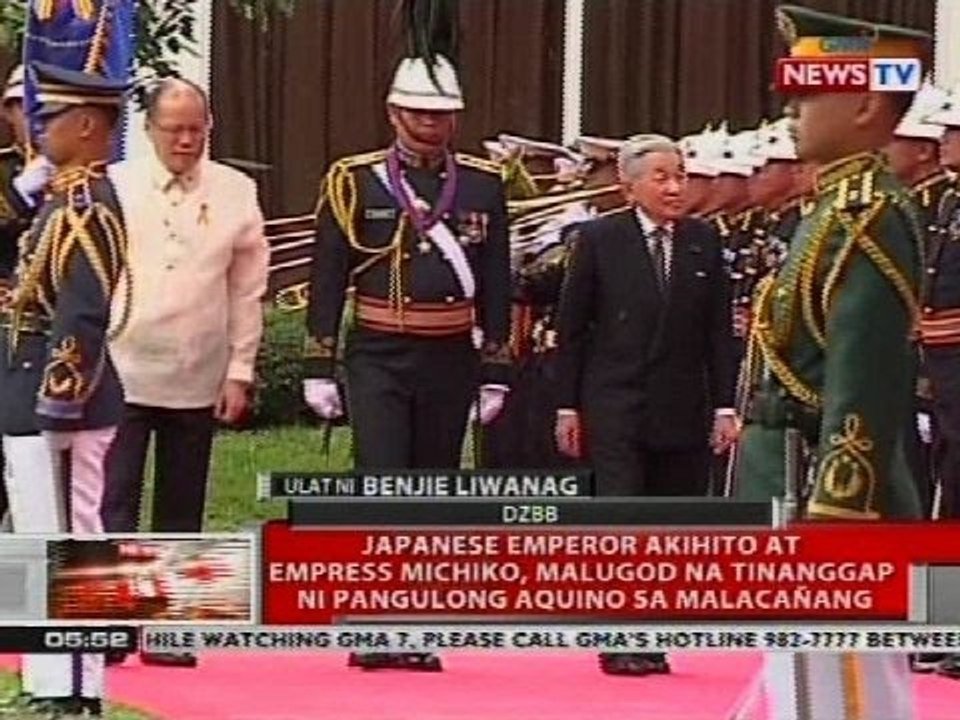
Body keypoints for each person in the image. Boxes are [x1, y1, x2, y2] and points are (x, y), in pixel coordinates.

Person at [734, 5, 928, 718]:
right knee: (804, 694)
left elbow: (864, 379)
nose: (793, 105)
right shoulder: (832, 208)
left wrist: (838, 515)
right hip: (787, 481)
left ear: (866, 103)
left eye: (810, 90)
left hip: (835, 508)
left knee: (842, 702)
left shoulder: (869, 213)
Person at [302, 46, 511, 670]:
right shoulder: (354, 180)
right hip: (379, 352)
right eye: (419, 114)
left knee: (434, 489)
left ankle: (419, 625)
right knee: (381, 483)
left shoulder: (482, 183)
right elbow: (327, 275)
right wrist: (319, 363)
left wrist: (496, 369)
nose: (431, 126)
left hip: (449, 353)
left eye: (442, 116)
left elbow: (497, 281)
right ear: (394, 113)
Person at [554, 134, 737, 676]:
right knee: (622, 517)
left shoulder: (705, 242)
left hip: (681, 404)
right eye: (660, 177)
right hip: (615, 402)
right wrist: (567, 405)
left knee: (667, 523)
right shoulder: (599, 240)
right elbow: (573, 329)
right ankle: (618, 634)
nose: (675, 187)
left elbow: (717, 336)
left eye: (679, 174)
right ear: (628, 185)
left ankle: (652, 635)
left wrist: (724, 406)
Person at [101, 77, 269, 666]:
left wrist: (240, 369)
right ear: (148, 130)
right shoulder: (113, 186)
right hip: (118, 365)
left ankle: (172, 628)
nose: (186, 139)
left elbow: (249, 291)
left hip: (197, 368)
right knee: (112, 498)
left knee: (181, 502)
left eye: (197, 128)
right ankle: (109, 623)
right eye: (174, 129)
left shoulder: (237, 191)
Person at [0, 60, 129, 718]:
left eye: (49, 117)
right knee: (35, 544)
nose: (38, 128)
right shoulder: (58, 196)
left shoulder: (86, 206)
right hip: (28, 394)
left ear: (87, 125)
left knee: (70, 546)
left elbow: (82, 311)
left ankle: (77, 688)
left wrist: (60, 401)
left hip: (65, 406)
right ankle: (48, 681)